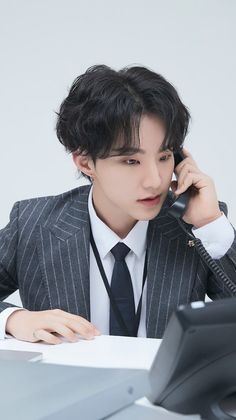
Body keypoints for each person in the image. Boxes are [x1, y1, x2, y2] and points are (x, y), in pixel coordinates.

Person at [0, 64, 236, 344]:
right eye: (131, 161)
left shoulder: (195, 226)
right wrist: (14, 320)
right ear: (86, 162)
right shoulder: (33, 223)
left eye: (164, 157)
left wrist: (210, 225)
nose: (154, 180)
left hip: (166, 389)